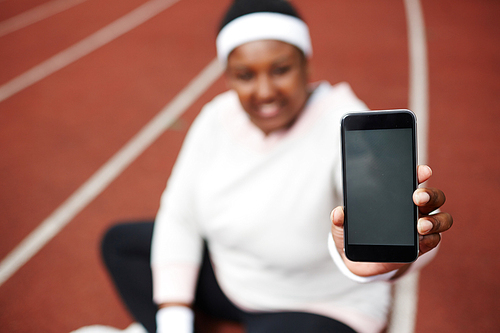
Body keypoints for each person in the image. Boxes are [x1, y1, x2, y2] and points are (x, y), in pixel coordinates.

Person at [92, 1, 453, 333]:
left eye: (280, 70)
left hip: (318, 305)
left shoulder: (343, 126)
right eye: (245, 76)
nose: (264, 92)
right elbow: (180, 216)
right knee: (122, 244)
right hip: (232, 282)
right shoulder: (216, 118)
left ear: (306, 64)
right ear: (228, 75)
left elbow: (392, 221)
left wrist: (387, 259)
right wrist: (174, 318)